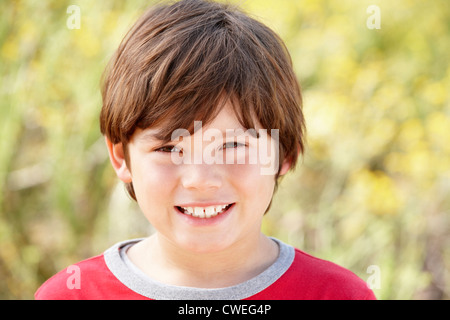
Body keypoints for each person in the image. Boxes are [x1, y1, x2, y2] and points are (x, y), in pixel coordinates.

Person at [35, 0, 376, 300]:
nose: (200, 180)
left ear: (284, 154)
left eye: (232, 146)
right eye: (170, 148)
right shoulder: (72, 295)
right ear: (122, 158)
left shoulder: (336, 295)